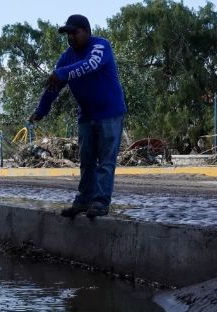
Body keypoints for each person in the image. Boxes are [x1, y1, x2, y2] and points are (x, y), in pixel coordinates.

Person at [29, 14, 127, 218]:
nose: (70, 37)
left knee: (106, 161)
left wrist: (62, 73)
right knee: (87, 160)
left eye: (74, 32)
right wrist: (41, 110)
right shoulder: (67, 57)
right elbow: (53, 85)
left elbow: (91, 64)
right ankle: (83, 201)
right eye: (67, 34)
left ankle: (100, 202)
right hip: (87, 115)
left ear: (86, 31)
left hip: (110, 113)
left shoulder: (100, 46)